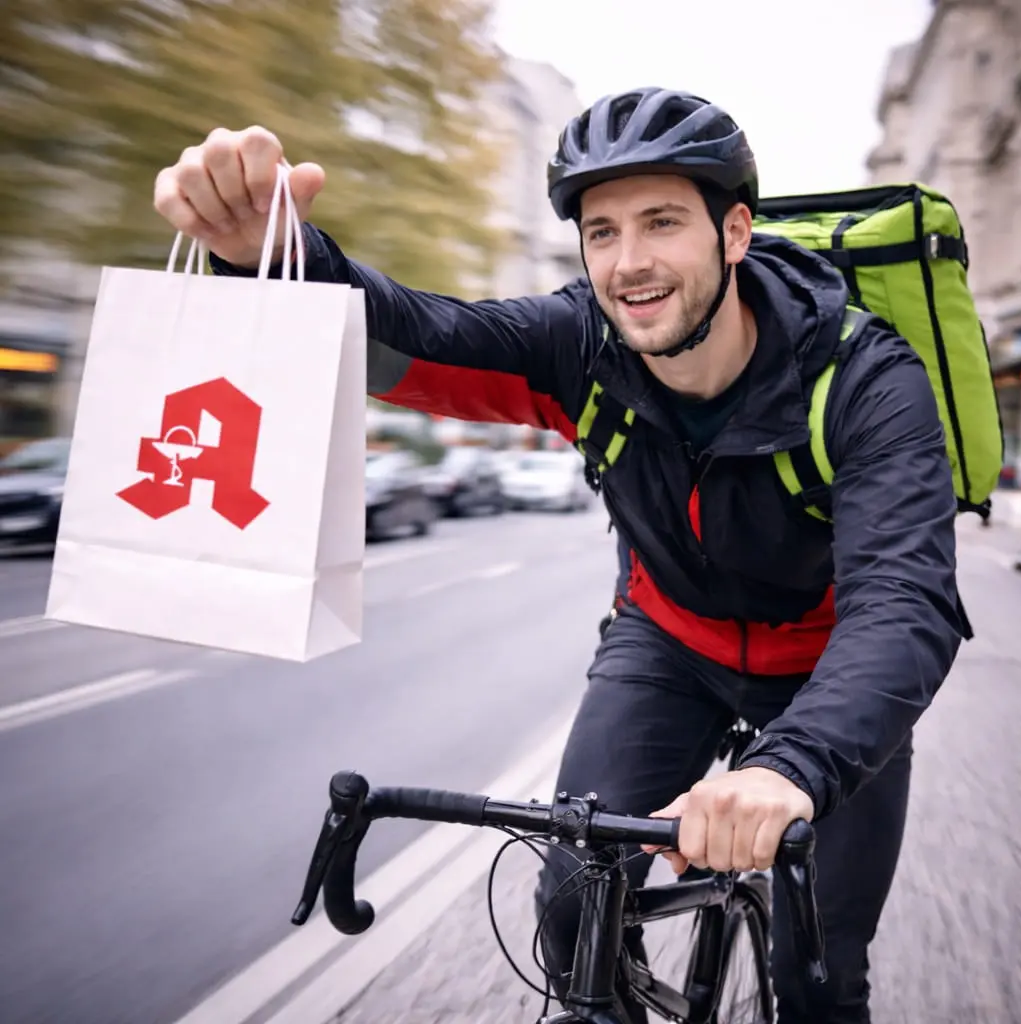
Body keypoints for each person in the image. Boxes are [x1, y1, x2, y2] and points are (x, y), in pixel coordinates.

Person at [153, 88, 965, 1023]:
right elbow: (414, 333)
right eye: (603, 231)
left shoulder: (867, 379)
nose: (631, 263)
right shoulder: (579, 347)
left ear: (734, 232)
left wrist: (792, 769)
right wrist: (271, 259)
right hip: (669, 645)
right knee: (572, 896)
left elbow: (904, 603)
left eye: (663, 222)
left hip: (828, 672)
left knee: (817, 970)